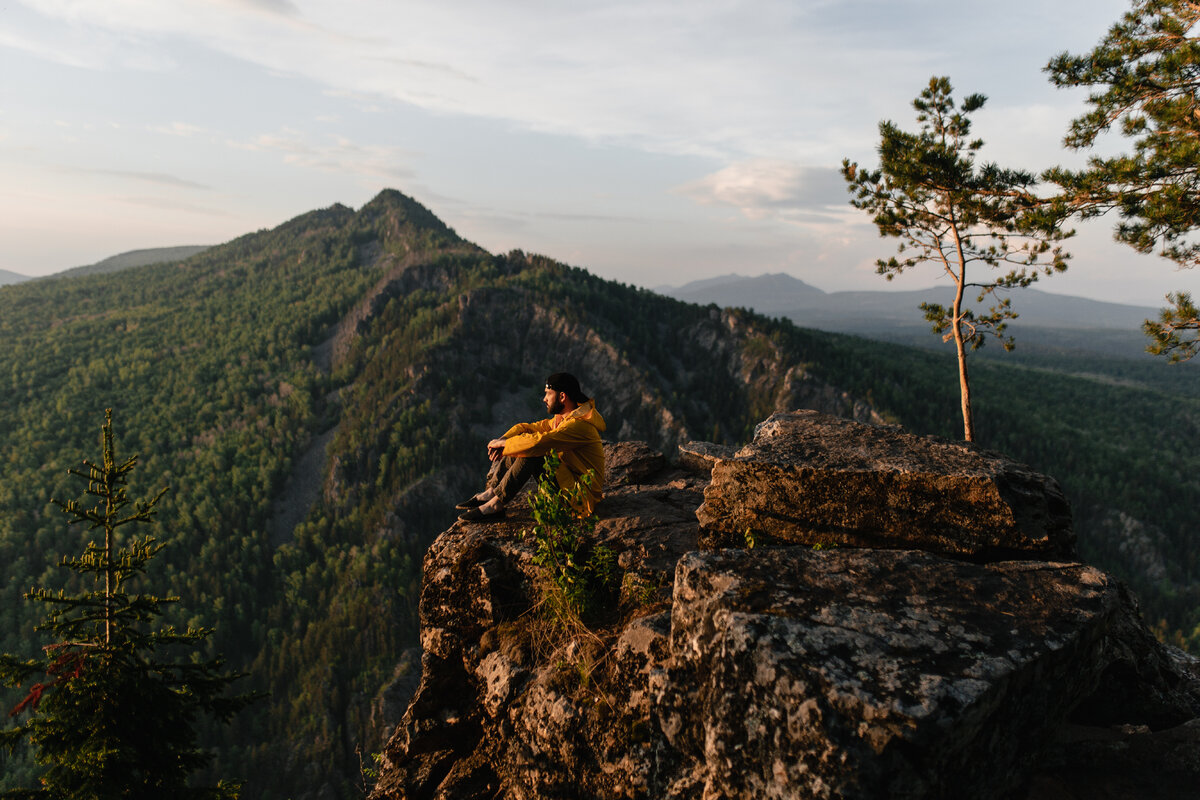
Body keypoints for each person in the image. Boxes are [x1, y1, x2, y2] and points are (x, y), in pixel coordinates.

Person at [457, 372, 606, 521]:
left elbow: (537, 443)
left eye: (548, 394)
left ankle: (496, 505)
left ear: (562, 397)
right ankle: (492, 492)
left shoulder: (578, 425)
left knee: (533, 452)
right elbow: (527, 428)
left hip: (581, 500)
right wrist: (504, 439)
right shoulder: (562, 420)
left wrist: (505, 444)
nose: (544, 399)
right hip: (571, 486)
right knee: (522, 443)